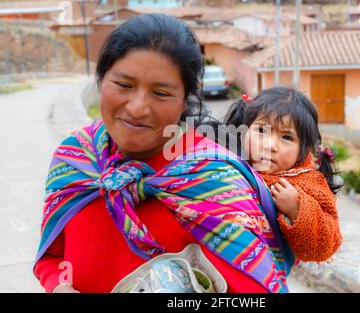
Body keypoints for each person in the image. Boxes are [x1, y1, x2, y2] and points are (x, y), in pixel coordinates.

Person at [33, 14, 295, 293]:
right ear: (101, 81)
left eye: (160, 93)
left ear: (185, 102)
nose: (137, 108)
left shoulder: (216, 182)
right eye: (123, 85)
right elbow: (51, 257)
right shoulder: (75, 159)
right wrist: (58, 286)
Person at [224, 87, 343, 262]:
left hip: (263, 273)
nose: (271, 145)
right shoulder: (224, 163)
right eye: (261, 130)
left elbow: (325, 247)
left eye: (287, 137)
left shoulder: (306, 183)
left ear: (303, 151)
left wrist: (297, 209)